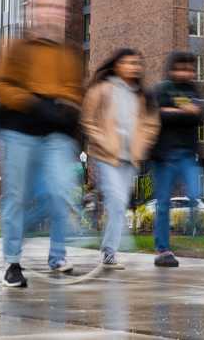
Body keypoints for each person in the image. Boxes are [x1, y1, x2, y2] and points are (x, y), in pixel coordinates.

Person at [0, 0, 84, 288]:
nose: (51, 12)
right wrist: (35, 102)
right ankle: (12, 261)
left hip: (57, 133)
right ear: (31, 11)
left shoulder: (69, 53)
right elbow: (1, 86)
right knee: (16, 196)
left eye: (58, 7)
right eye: (43, 6)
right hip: (19, 130)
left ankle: (57, 255)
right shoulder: (14, 48)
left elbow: (74, 90)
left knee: (60, 192)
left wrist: (66, 107)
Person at [81, 49, 160, 269]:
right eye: (128, 63)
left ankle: (109, 250)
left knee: (119, 204)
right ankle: (110, 251)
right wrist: (102, 140)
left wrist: (142, 143)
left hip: (129, 159)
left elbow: (151, 124)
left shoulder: (142, 95)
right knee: (116, 201)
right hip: (106, 155)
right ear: (116, 65)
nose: (133, 67)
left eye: (136, 63)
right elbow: (88, 119)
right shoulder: (103, 89)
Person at [147, 51, 204, 268]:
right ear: (172, 69)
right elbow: (157, 114)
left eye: (190, 69)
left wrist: (177, 110)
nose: (187, 73)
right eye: (182, 68)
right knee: (163, 204)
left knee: (196, 195)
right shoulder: (162, 89)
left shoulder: (194, 90)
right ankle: (163, 249)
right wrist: (185, 110)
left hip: (187, 155)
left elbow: (201, 115)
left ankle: (192, 238)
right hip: (164, 156)